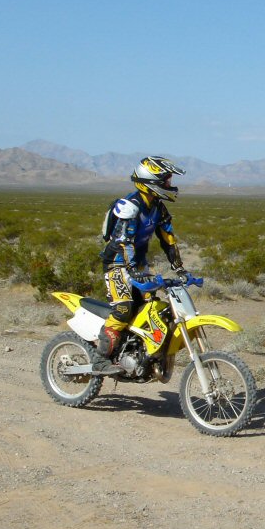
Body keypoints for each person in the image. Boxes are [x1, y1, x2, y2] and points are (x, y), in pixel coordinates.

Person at [92, 156, 188, 375]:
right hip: (117, 265)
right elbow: (123, 241)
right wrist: (132, 269)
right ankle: (99, 360)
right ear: (151, 181)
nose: (169, 185)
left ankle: (136, 352)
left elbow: (168, 239)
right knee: (123, 308)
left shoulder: (158, 208)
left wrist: (179, 268)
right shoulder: (130, 207)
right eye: (165, 181)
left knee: (151, 307)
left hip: (138, 265)